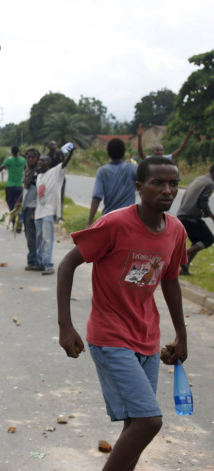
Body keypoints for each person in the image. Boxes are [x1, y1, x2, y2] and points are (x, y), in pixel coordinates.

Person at [57, 156, 188, 471]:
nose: (167, 190)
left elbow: (170, 281)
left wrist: (182, 335)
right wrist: (66, 326)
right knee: (149, 421)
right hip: (110, 336)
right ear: (140, 187)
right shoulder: (114, 224)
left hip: (147, 336)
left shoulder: (176, 230)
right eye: (158, 182)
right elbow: (67, 264)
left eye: (173, 183)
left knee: (135, 423)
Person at [34, 145, 74, 275]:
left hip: (49, 211)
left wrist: (70, 153)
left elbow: (65, 163)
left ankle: (48, 265)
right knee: (39, 239)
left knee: (47, 239)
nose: (40, 162)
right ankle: (40, 262)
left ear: (49, 163)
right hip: (38, 212)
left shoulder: (56, 171)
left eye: (43, 160)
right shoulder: (39, 177)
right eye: (39, 160)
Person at [87, 138, 138, 228]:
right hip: (129, 219)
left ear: (108, 153)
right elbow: (145, 186)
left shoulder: (102, 171)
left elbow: (96, 198)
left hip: (109, 219)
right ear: (123, 152)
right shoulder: (132, 168)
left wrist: (89, 222)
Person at [177, 164, 214, 275]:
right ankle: (180, 256)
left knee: (197, 243)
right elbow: (203, 201)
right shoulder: (210, 183)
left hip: (183, 214)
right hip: (190, 217)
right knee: (208, 239)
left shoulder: (199, 179)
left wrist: (201, 212)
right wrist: (212, 216)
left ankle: (184, 269)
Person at [13, 148, 41, 270]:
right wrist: (19, 202)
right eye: (28, 157)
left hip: (33, 208)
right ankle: (33, 259)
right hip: (26, 207)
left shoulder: (38, 173)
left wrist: (36, 211)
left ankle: (33, 261)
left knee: (32, 236)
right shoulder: (28, 171)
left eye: (33, 157)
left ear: (37, 158)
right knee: (28, 235)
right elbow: (26, 189)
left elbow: (42, 193)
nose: (30, 159)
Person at [0, 145, 26, 232]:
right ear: (18, 151)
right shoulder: (23, 160)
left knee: (11, 205)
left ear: (12, 152)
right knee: (19, 204)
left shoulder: (9, 160)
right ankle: (19, 219)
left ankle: (14, 223)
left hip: (10, 186)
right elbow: (26, 169)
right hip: (19, 186)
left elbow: (1, 168)